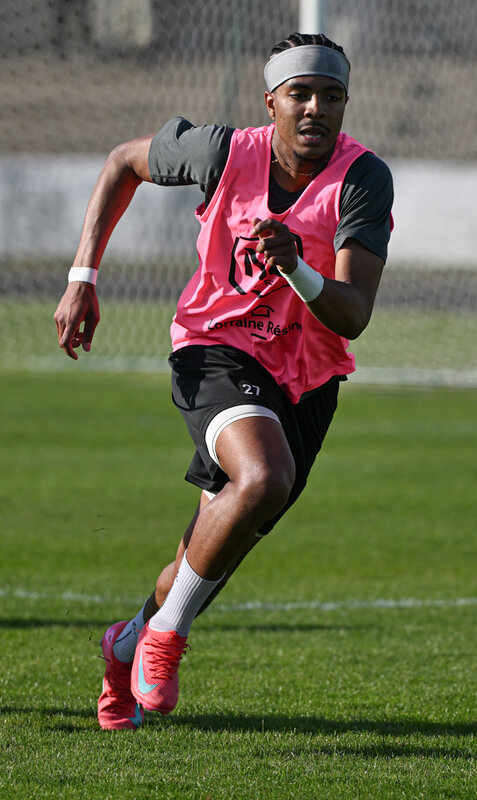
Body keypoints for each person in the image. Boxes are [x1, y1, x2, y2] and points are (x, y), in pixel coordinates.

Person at [54, 32, 393, 730]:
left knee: (208, 552)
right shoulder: (221, 152)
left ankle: (126, 644)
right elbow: (122, 162)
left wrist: (296, 266)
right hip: (215, 350)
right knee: (263, 479)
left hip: (307, 381)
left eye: (332, 96)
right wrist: (82, 277)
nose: (316, 109)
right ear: (271, 101)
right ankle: (165, 639)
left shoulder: (363, 178)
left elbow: (354, 314)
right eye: (300, 94)